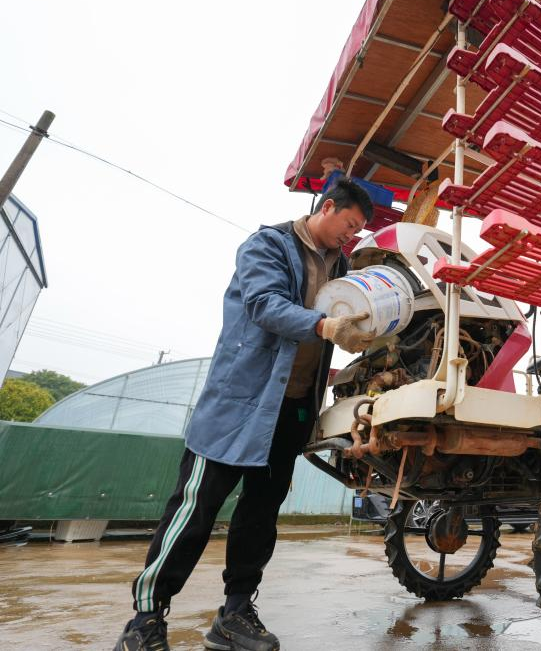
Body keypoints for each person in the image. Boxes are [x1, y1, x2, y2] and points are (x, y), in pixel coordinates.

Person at [114, 178, 376, 651]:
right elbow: (263, 304)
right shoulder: (269, 245)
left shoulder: (344, 266)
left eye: (359, 230)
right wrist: (324, 324)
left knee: (260, 514)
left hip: (292, 409)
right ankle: (145, 619)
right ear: (328, 206)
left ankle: (235, 614)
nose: (350, 235)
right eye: (350, 224)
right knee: (196, 508)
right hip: (241, 402)